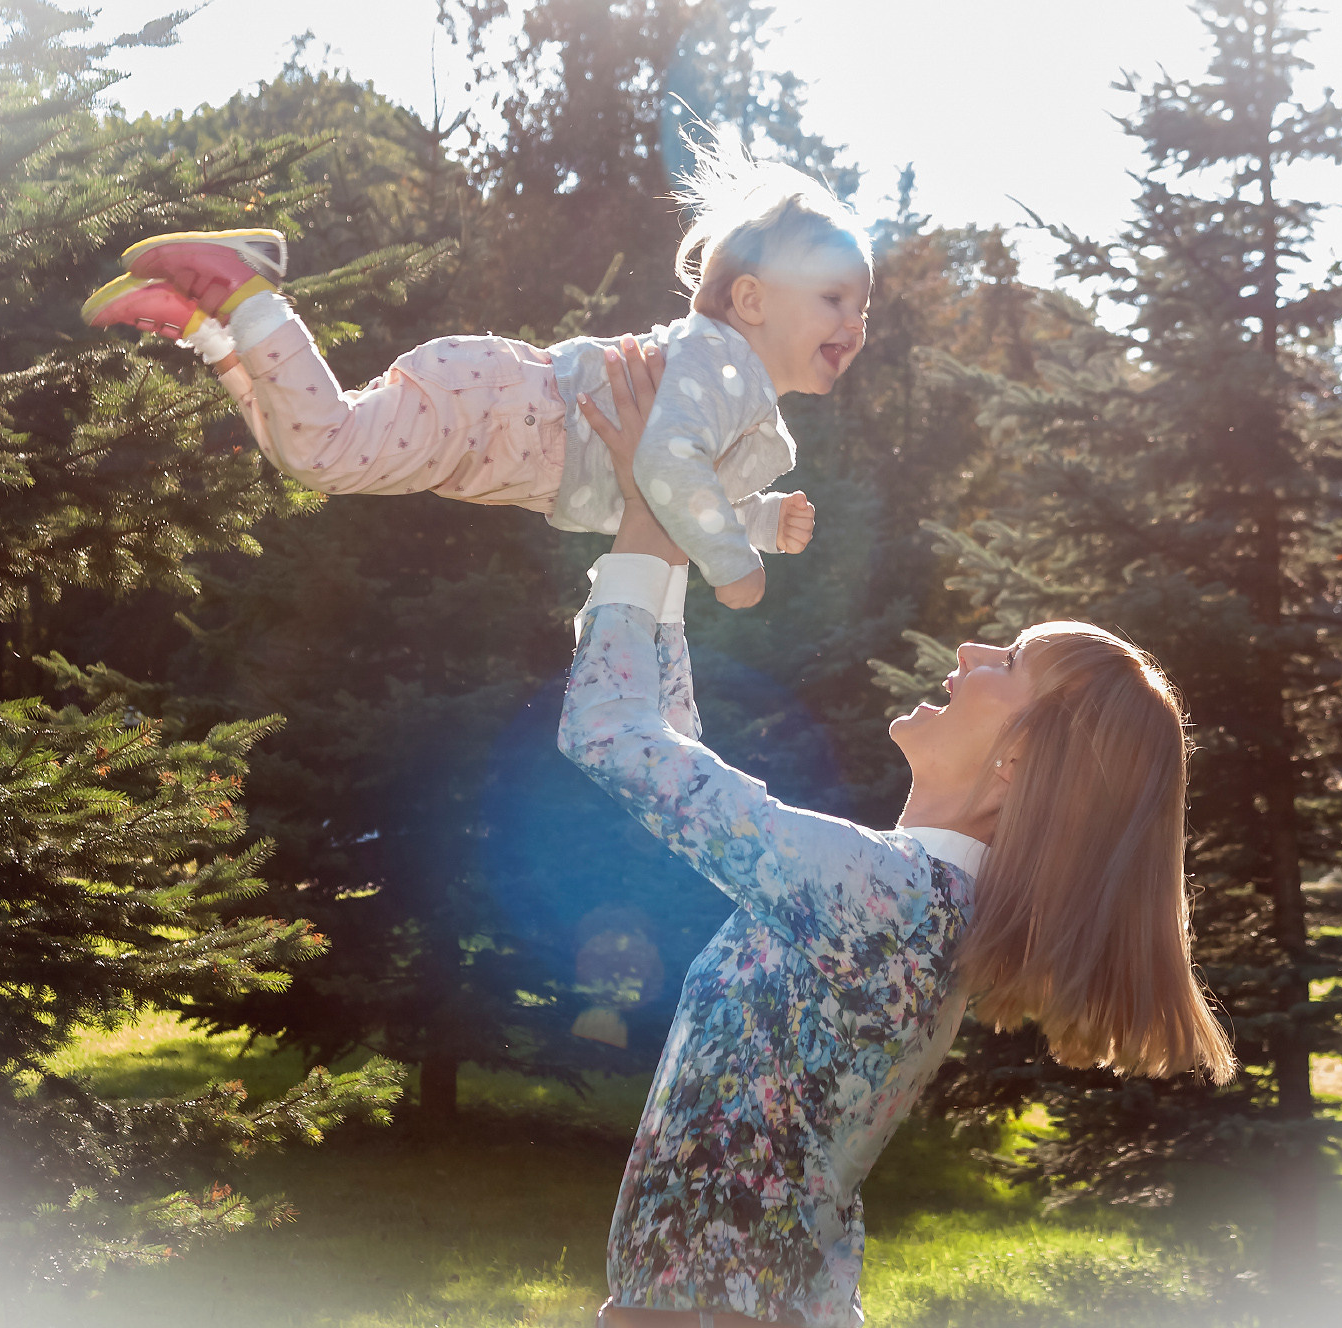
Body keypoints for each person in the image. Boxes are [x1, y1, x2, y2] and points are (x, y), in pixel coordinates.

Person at [558, 343, 1237, 1327]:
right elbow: (676, 759)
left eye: (1004, 658)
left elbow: (614, 736)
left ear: (1020, 761)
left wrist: (639, 520)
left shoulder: (878, 899)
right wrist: (662, 529)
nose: (966, 650)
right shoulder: (911, 901)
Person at [78, 132, 865, 609]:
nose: (855, 323)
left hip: (492, 410)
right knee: (324, 450)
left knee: (307, 453)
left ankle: (212, 329)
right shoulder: (719, 365)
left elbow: (688, 489)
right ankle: (245, 287)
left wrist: (760, 519)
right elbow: (665, 467)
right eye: (834, 298)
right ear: (753, 301)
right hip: (501, 410)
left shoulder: (734, 395)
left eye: (864, 307)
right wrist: (738, 564)